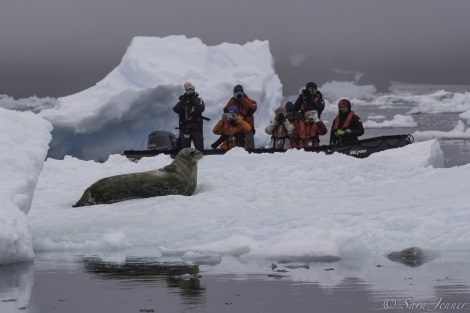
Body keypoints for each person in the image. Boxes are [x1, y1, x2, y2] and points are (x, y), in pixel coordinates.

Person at [173, 82, 205, 151]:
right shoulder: (183, 101)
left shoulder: (199, 100)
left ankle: (200, 161)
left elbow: (201, 108)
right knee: (186, 150)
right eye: (188, 89)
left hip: (196, 128)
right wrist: (184, 98)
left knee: (199, 149)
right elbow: (176, 109)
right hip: (185, 129)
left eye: (192, 89)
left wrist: (193, 98)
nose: (190, 90)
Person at [223, 85, 257, 149]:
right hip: (236, 129)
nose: (239, 95)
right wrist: (233, 99)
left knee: (250, 149)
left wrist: (242, 100)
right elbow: (225, 111)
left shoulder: (250, 101)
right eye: (236, 93)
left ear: (243, 93)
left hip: (248, 129)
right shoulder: (232, 101)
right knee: (236, 150)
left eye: (240, 93)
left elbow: (251, 110)